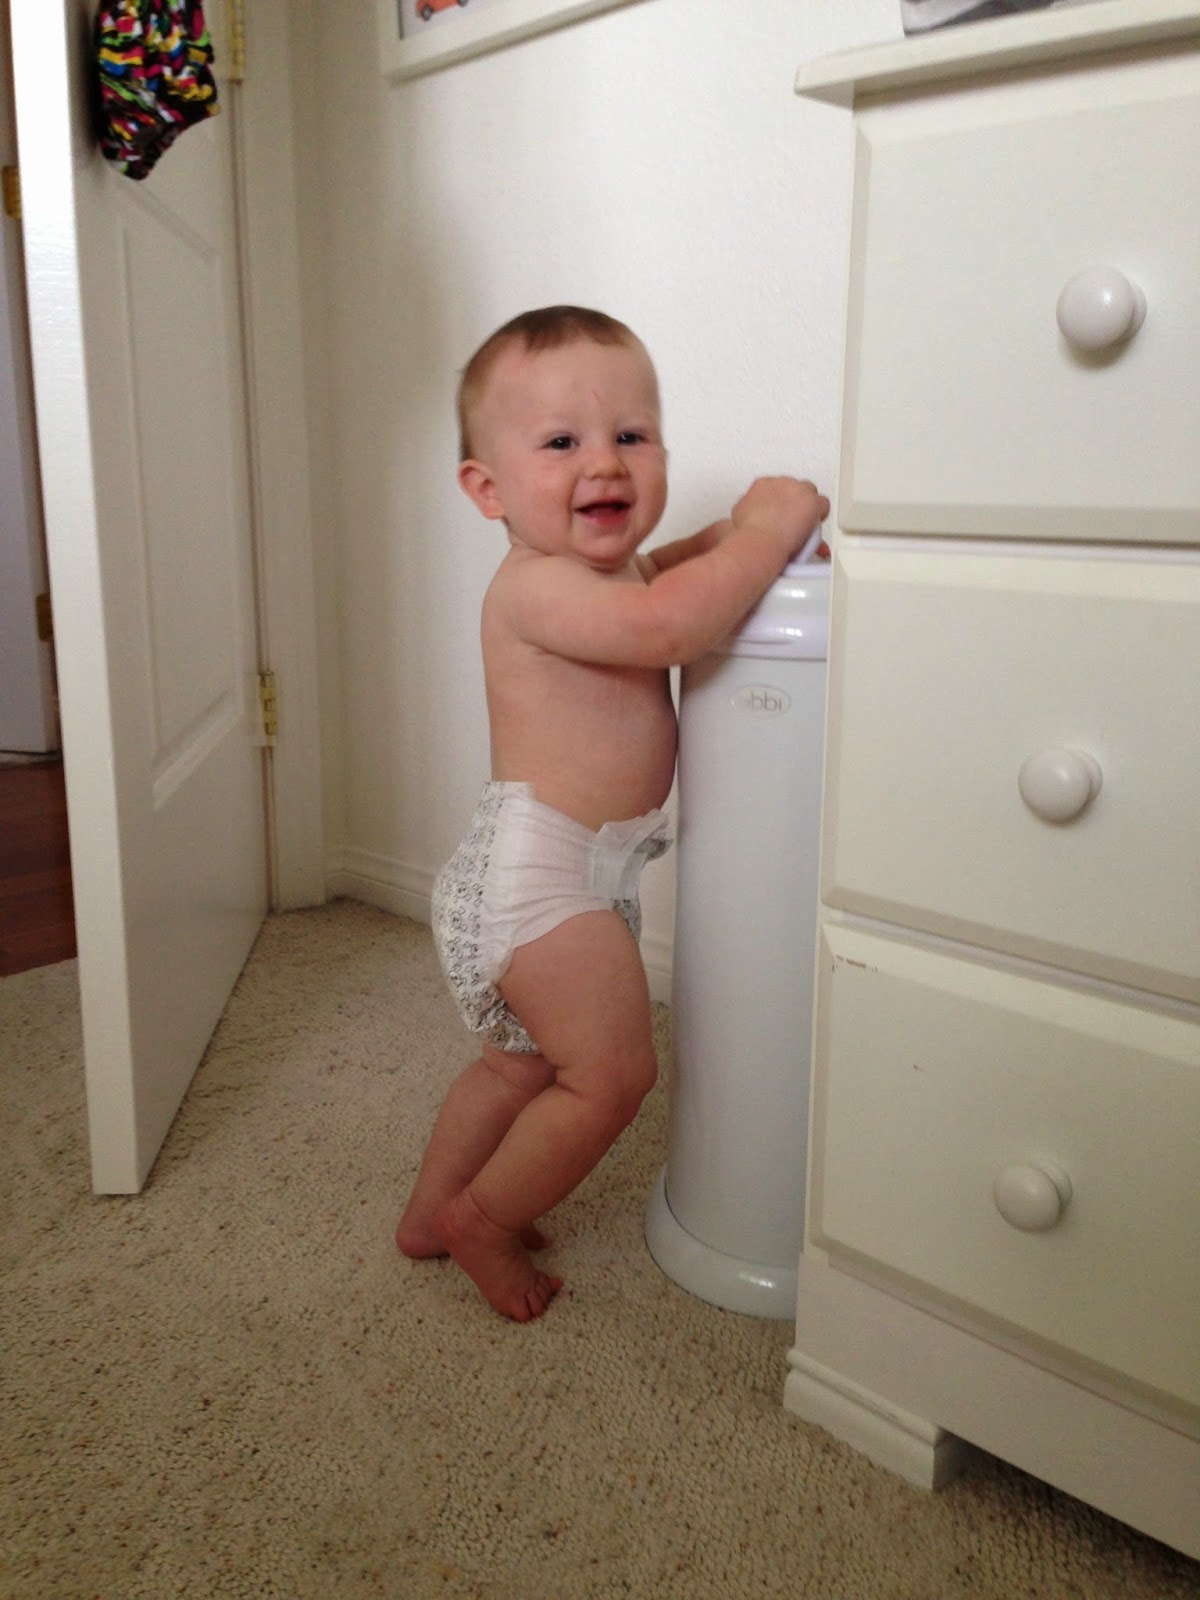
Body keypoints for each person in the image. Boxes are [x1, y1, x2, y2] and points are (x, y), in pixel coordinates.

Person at [396, 306, 829, 1321]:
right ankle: (482, 1220)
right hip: (539, 883)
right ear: (488, 489)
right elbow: (671, 624)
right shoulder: (536, 588)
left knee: (518, 1068)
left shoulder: (610, 571)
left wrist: (730, 537)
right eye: (561, 442)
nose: (605, 461)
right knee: (613, 1077)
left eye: (632, 434)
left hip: (569, 876)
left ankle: (427, 1215)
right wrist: (765, 534)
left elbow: (668, 576)